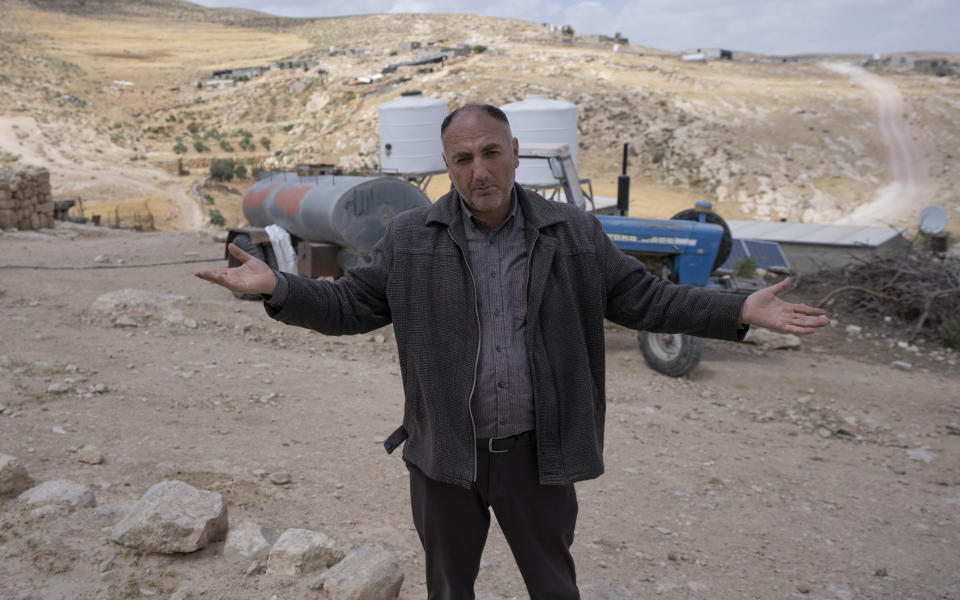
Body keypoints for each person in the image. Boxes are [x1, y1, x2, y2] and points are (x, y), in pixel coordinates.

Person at [196, 104, 829, 599]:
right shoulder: (412, 237)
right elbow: (350, 305)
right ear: (448, 165)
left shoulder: (572, 232)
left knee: (554, 586)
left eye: (492, 152)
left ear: (515, 153)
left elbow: (643, 299)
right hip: (445, 456)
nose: (480, 170)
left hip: (537, 455)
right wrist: (278, 286)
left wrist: (738, 308)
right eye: (464, 157)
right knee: (448, 589)